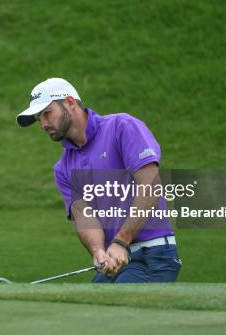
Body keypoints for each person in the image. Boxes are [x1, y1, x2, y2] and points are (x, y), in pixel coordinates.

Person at [16, 78, 181, 283]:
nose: (43, 124)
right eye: (38, 119)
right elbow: (85, 218)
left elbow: (151, 186)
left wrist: (122, 241)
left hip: (153, 254)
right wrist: (98, 252)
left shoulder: (121, 127)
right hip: (116, 259)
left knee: (116, 309)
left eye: (47, 114)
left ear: (70, 102)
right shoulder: (63, 167)